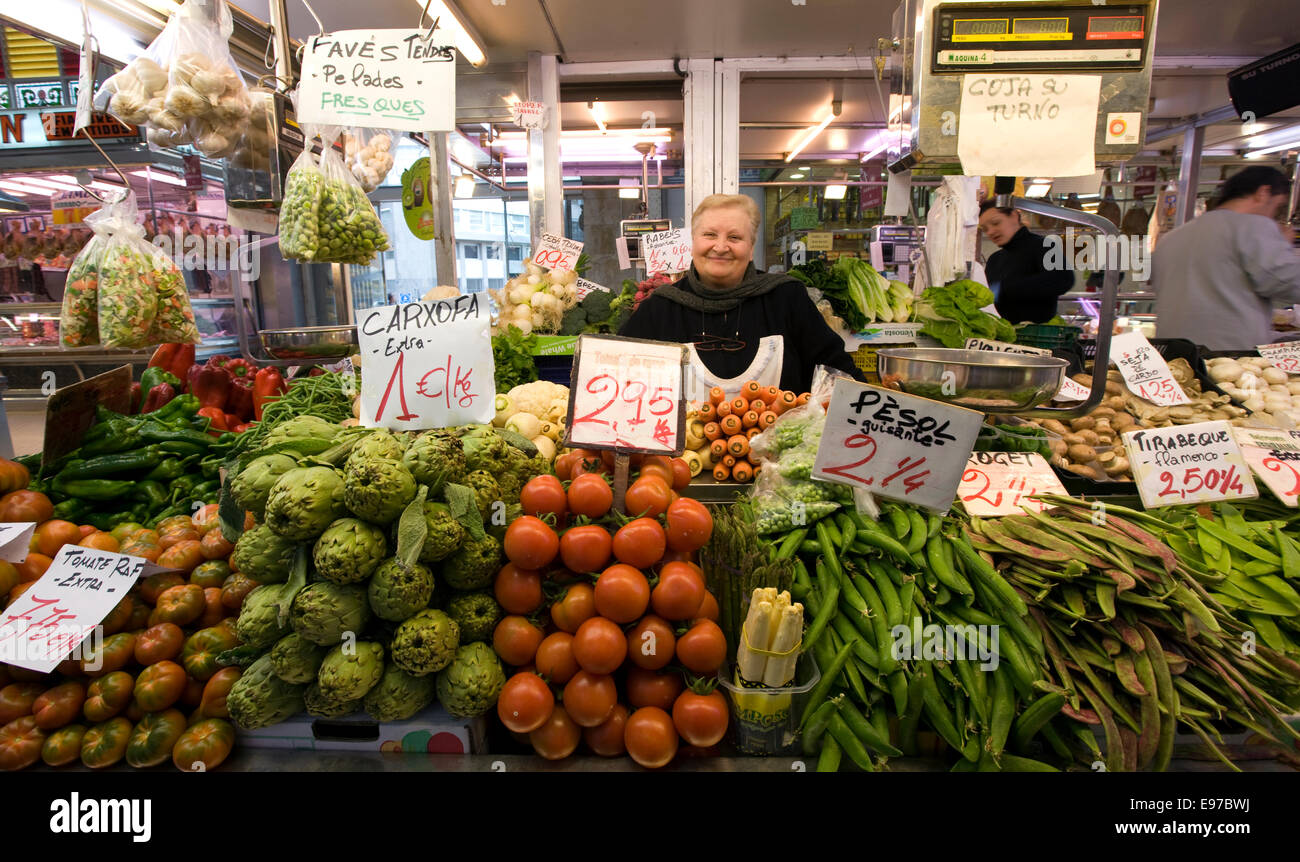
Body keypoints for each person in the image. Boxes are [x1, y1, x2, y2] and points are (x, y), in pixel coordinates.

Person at [618, 194, 864, 397]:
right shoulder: (660, 308)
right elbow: (618, 380)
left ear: (750, 248)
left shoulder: (786, 298)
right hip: (683, 457)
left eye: (735, 237)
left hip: (776, 455)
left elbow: (840, 376)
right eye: (709, 235)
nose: (721, 246)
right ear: (693, 243)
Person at [1153, 166, 1300, 351]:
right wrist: (1284, 246)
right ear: (1264, 193)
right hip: (1228, 354)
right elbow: (1287, 281)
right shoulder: (1254, 227)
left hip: (1172, 349)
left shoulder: (1173, 237)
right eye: (1276, 207)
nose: (1273, 215)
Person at [978, 201, 1075, 324]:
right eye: (985, 229)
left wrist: (1004, 288)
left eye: (996, 223)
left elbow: (1063, 279)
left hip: (1035, 335)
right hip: (1000, 335)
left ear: (1014, 216)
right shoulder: (994, 259)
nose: (990, 231)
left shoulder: (1043, 246)